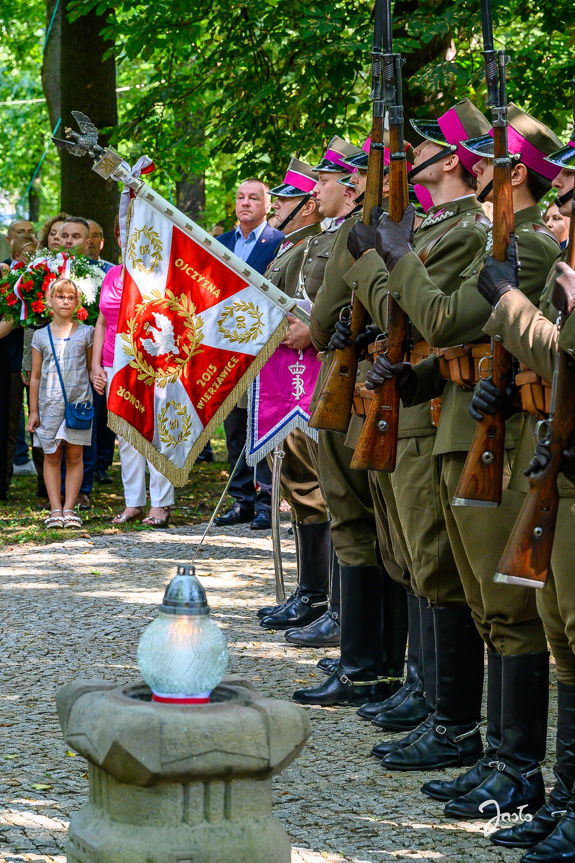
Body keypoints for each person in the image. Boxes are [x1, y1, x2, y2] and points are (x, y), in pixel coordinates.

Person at [371, 105, 561, 813]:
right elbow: (464, 342)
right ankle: (492, 752)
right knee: (484, 604)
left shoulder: (531, 246)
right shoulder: (509, 238)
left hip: (501, 439)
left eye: (489, 159)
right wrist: (414, 379)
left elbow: (460, 322)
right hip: (463, 421)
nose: (473, 165)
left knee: (509, 609)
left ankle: (516, 763)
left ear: (521, 173)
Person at [468, 142, 575, 861]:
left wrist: (509, 299)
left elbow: (562, 350)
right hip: (559, 460)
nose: (561, 197)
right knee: (560, 633)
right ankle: (565, 799)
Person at [254, 158, 333, 637]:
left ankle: (318, 595)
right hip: (288, 374)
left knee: (314, 486)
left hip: (312, 372)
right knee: (300, 486)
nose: (277, 206)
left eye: (285, 200)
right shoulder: (294, 245)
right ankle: (311, 590)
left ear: (305, 207)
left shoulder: (316, 245)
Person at [215, 179, 284, 529]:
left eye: (254, 198)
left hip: (265, 348)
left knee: (264, 423)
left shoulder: (279, 243)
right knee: (235, 427)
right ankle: (240, 499)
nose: (246, 203)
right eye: (241, 197)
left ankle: (266, 501)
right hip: (228, 350)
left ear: (267, 205)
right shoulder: (220, 244)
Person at [91, 248, 175, 527]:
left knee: (155, 433)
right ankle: (133, 503)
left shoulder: (159, 276)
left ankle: (161, 505)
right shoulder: (112, 275)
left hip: (151, 364)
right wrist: (96, 364)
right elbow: (102, 321)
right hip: (114, 365)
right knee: (125, 437)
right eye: (122, 235)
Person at [26, 278, 94, 529]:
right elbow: (34, 376)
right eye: (60, 296)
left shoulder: (87, 333)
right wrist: (33, 411)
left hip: (79, 405)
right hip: (48, 405)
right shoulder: (40, 336)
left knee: (75, 456)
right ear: (49, 301)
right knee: (52, 455)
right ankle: (55, 509)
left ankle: (70, 509)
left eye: (70, 297)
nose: (65, 301)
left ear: (77, 302)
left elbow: (89, 368)